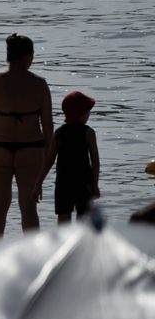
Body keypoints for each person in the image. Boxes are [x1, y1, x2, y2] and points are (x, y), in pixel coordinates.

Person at [0, 34, 52, 239]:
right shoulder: (40, 84)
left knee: (0, 203)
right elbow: (47, 126)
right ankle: (32, 254)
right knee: (28, 205)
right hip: (31, 150)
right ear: (28, 57)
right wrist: (47, 157)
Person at [35, 90, 100, 223]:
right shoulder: (89, 133)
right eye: (87, 111)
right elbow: (95, 161)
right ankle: (82, 243)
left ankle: (63, 243)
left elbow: (49, 161)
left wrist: (38, 183)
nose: (89, 114)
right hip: (84, 183)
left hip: (63, 183)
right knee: (84, 220)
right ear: (80, 113)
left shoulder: (59, 133)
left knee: (63, 220)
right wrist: (95, 185)